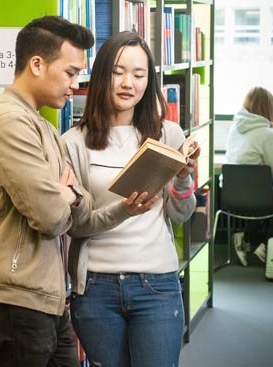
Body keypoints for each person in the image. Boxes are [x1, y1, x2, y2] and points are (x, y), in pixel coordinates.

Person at [0, 16, 95, 367]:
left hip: (43, 297)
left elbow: (83, 208)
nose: (75, 85)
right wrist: (61, 196)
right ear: (36, 64)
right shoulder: (8, 122)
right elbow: (49, 216)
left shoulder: (44, 127)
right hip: (12, 302)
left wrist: (69, 194)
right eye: (70, 72)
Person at [62, 31, 199, 367]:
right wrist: (122, 210)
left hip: (157, 282)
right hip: (95, 287)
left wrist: (183, 178)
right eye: (118, 72)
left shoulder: (167, 134)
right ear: (101, 74)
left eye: (139, 75)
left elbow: (180, 214)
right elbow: (75, 225)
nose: (128, 83)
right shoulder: (73, 143)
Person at [225, 86, 273, 266]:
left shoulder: (235, 128)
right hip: (257, 196)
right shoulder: (267, 134)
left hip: (231, 195)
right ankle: (267, 247)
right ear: (269, 109)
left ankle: (249, 239)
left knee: (262, 195)